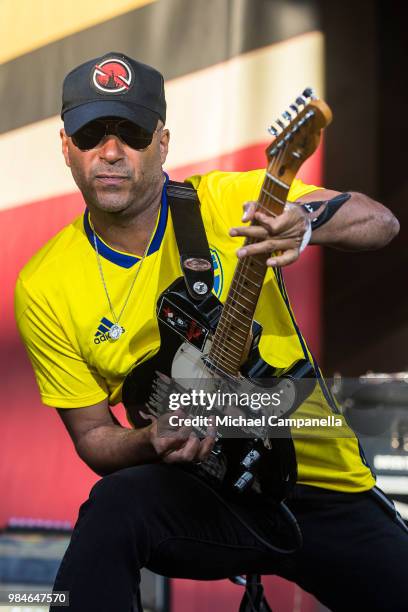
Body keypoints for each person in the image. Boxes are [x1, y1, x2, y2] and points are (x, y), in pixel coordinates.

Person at [14, 52, 408, 612]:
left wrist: (306, 224)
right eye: (90, 134)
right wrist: (150, 437)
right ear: (64, 147)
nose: (109, 152)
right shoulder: (44, 284)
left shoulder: (227, 201)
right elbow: (93, 437)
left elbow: (380, 221)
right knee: (112, 511)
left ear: (163, 142)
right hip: (202, 488)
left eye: (130, 132)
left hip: (319, 482)